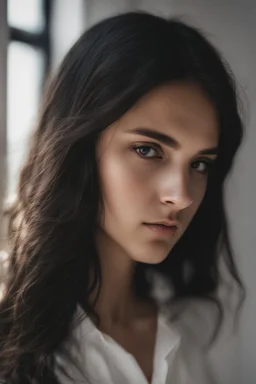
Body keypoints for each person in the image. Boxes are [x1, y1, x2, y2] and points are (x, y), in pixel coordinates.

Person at [0, 11, 245, 384]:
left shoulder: (197, 328)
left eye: (199, 164)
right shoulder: (14, 345)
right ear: (79, 147)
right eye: (148, 150)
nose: (180, 196)